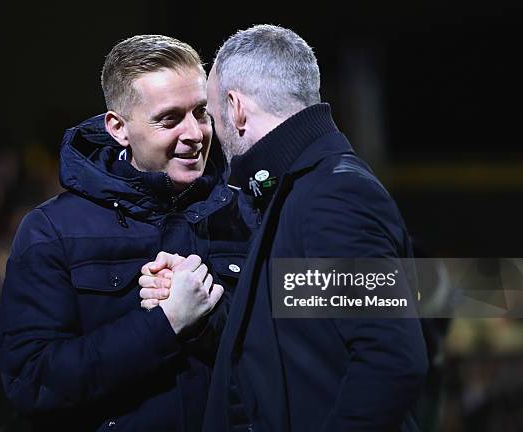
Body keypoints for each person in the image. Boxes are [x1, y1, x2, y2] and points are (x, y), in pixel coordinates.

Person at [141, 25, 428, 431]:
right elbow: (293, 340)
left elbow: (392, 360)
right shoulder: (297, 192)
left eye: (210, 113)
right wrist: (202, 309)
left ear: (236, 108)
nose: (210, 132)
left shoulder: (335, 194)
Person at [0, 34, 254, 431]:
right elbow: (32, 382)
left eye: (200, 113)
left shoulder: (245, 214)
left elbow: (290, 348)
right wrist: (164, 324)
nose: (194, 133)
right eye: (169, 119)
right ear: (118, 128)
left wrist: (206, 320)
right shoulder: (52, 231)